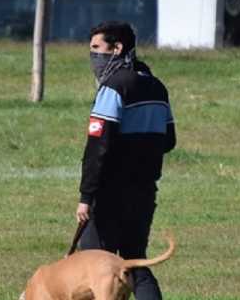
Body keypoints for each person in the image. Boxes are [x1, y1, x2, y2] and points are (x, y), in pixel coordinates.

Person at [75, 21, 176, 300]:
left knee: (93, 267)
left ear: (117, 48)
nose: (93, 56)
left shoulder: (113, 87)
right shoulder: (157, 87)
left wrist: (86, 196)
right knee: (134, 263)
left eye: (97, 48)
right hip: (143, 191)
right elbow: (169, 140)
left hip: (109, 193)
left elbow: (98, 146)